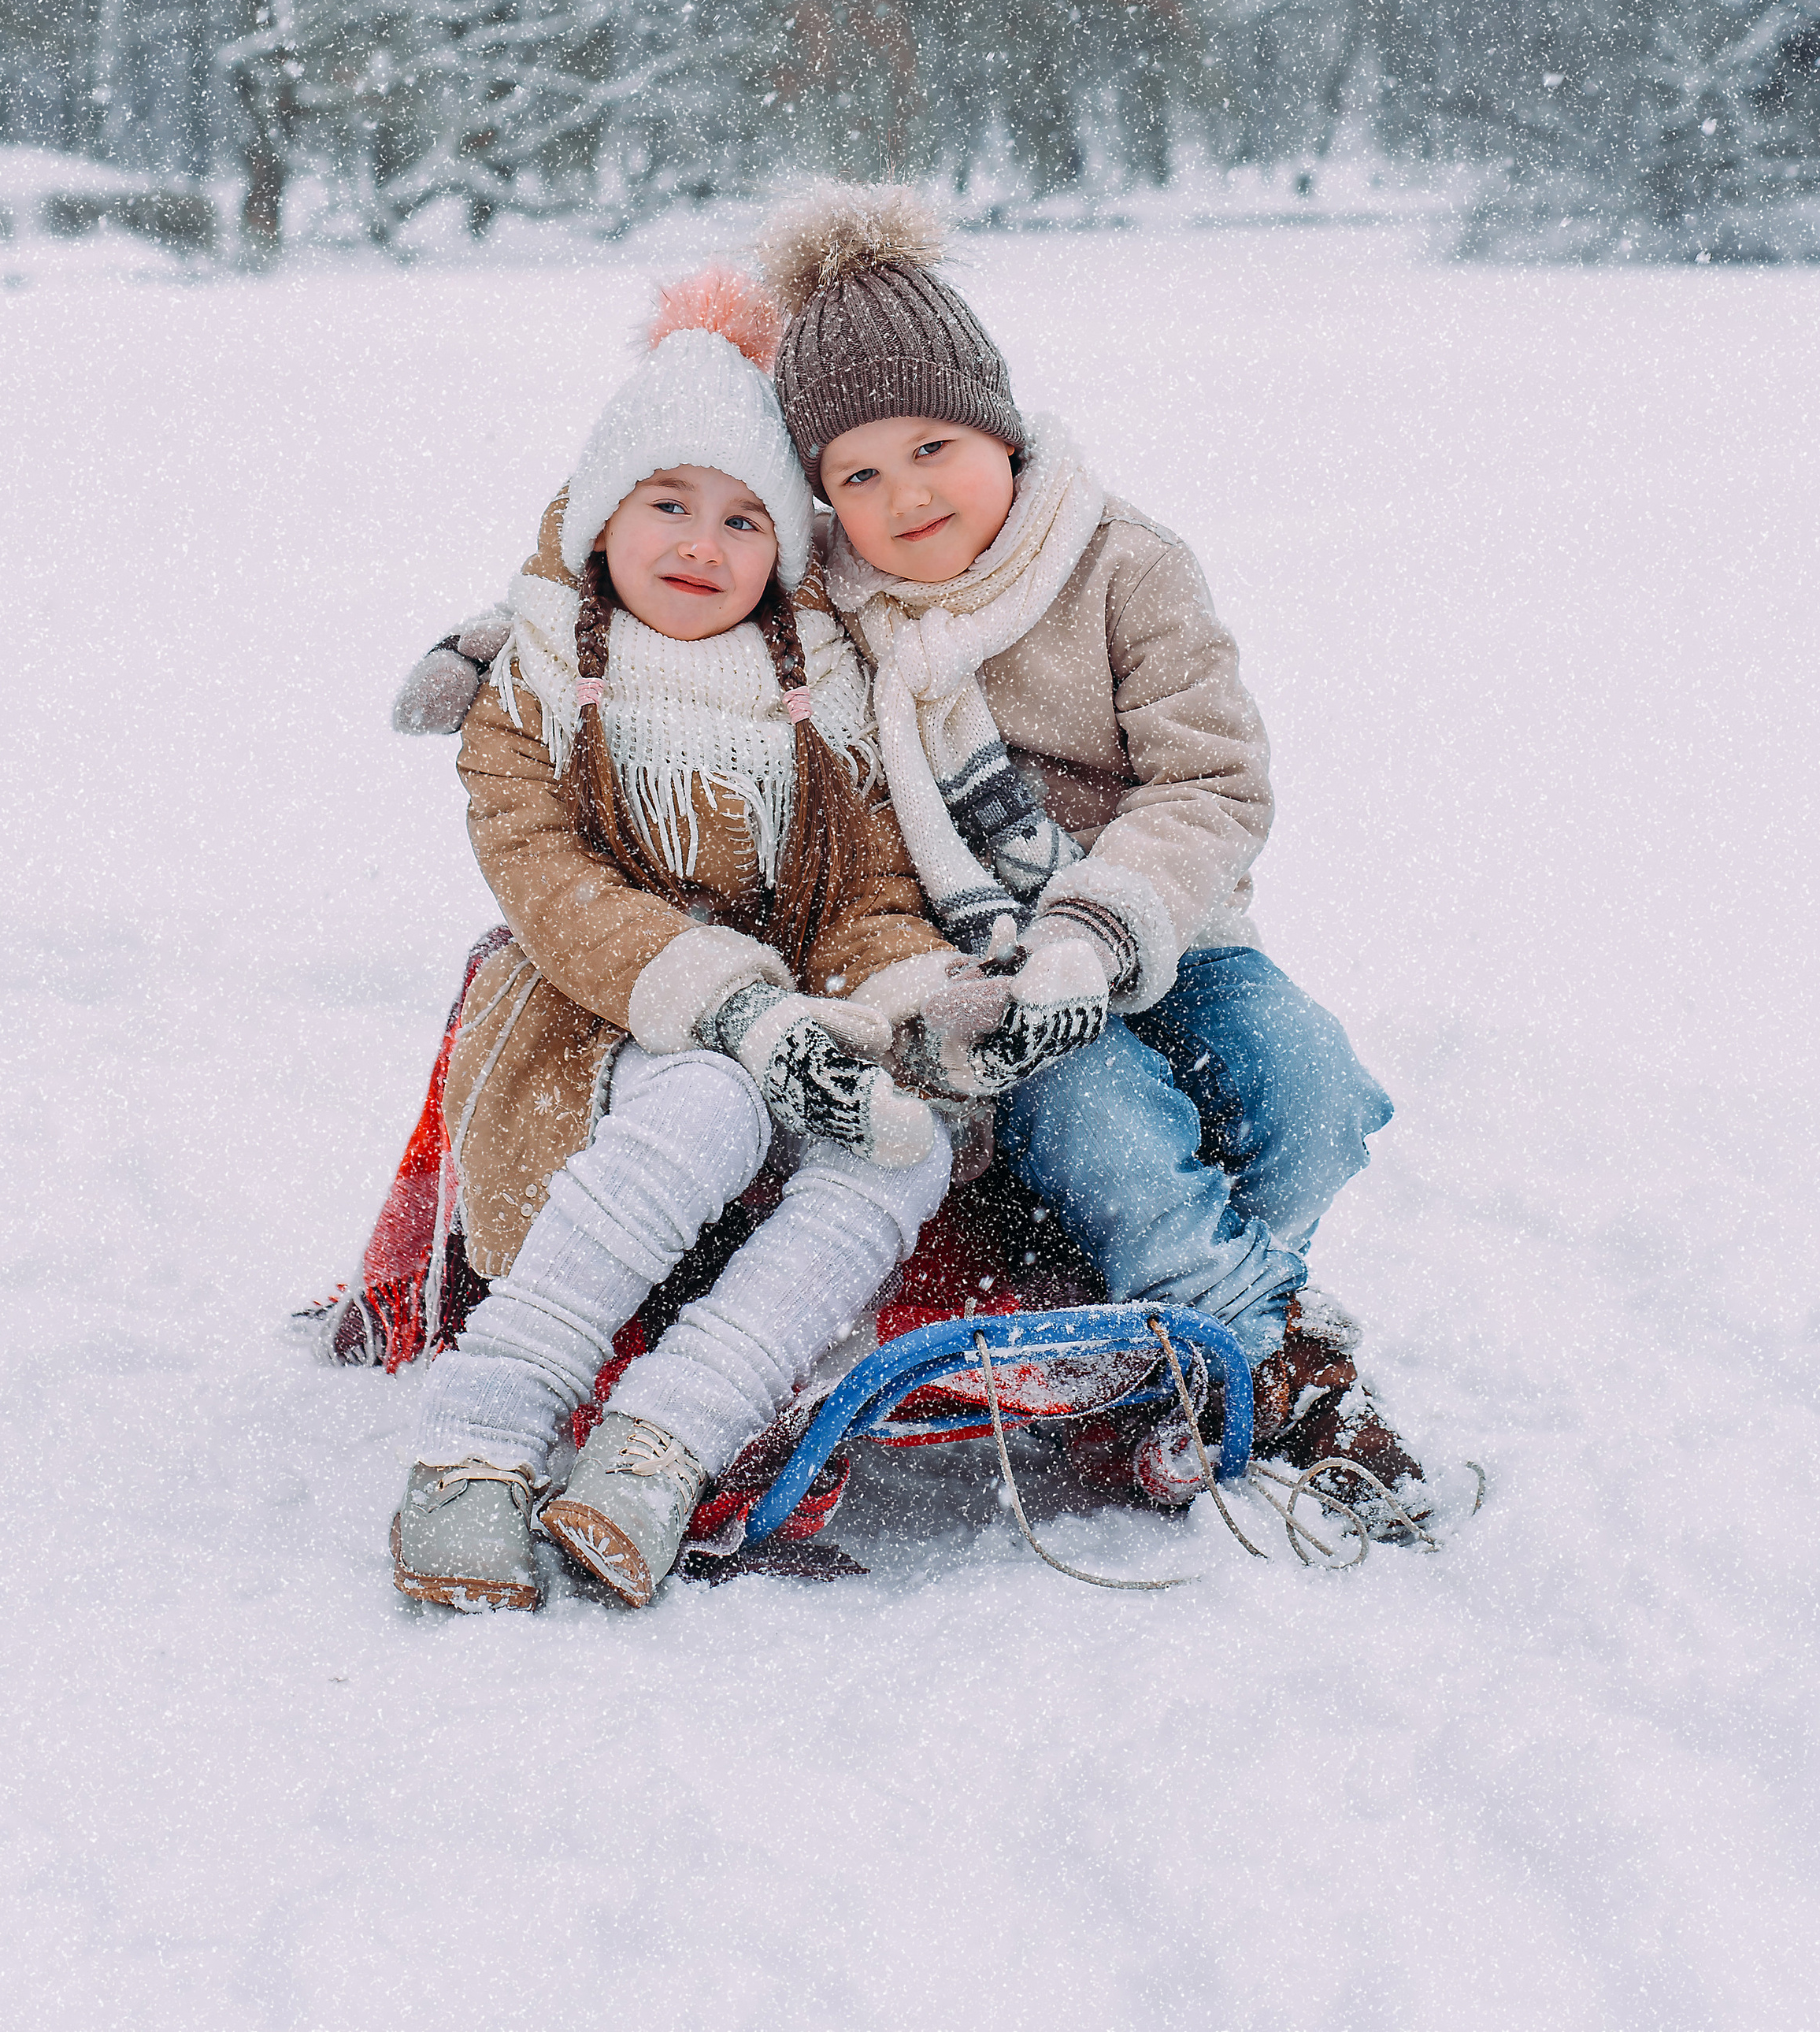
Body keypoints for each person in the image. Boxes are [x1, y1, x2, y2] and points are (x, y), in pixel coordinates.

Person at [755, 184, 1426, 1517]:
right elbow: (663, 578)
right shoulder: (835, 614)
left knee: (1312, 1087)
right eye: (860, 475)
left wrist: (1101, 926)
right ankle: (1264, 1358)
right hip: (984, 980)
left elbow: (1212, 778)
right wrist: (516, 635)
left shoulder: (1123, 565)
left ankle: (1206, 1301)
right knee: (1096, 1108)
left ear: (998, 425)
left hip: (1168, 928)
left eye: (935, 445)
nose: (910, 496)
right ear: (824, 501)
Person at [391, 268, 968, 1615]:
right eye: (668, 503)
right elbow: (551, 888)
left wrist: (913, 999)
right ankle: (486, 1420)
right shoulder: (531, 681)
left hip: (794, 1017)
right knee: (709, 1095)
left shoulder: (819, 695)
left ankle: (671, 1432)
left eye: (745, 516)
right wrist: (733, 1010)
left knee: (905, 1136)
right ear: (604, 519)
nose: (703, 542)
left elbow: (865, 889)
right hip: (594, 1013)